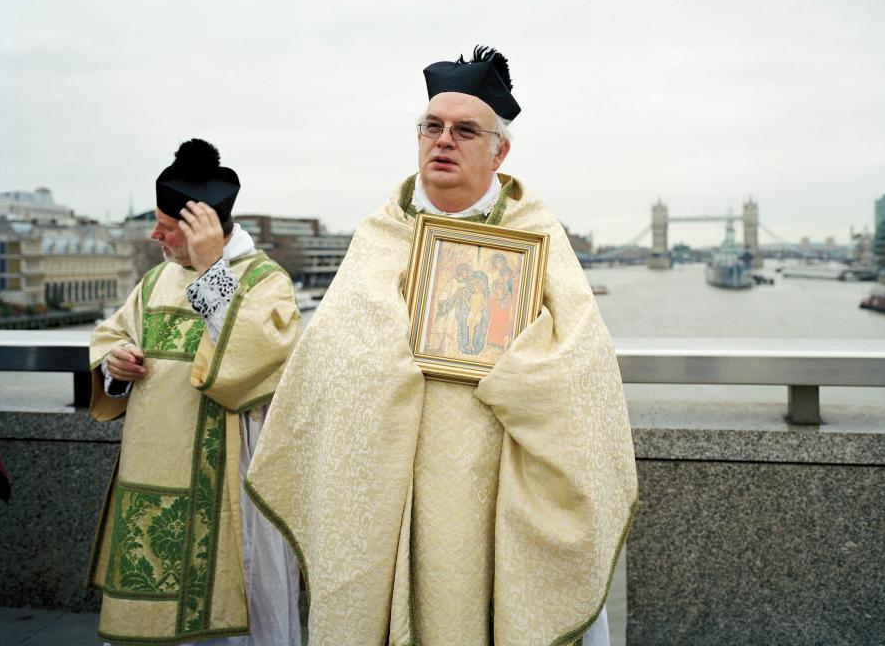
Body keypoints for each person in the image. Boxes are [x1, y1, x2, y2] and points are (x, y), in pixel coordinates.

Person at [246, 46, 637, 645]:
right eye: (432, 127)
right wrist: (390, 362)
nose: (443, 141)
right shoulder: (381, 232)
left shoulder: (533, 232)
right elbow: (330, 355)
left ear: (499, 149)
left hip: (499, 478)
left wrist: (507, 373)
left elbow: (579, 363)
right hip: (387, 479)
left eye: (464, 130)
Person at [86, 139, 302, 646]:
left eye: (165, 225)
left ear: (203, 229)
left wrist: (211, 272)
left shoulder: (266, 281)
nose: (153, 232)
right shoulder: (158, 277)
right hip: (151, 471)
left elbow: (252, 360)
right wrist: (115, 363)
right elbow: (114, 334)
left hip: (229, 480)